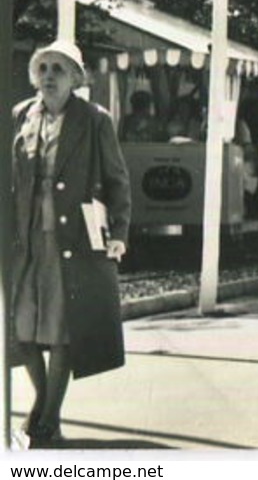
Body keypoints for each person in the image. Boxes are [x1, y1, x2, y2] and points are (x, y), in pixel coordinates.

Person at [10, 40, 131, 448]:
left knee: (62, 330)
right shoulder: (22, 116)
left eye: (58, 69)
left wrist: (119, 233)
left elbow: (117, 179)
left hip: (74, 239)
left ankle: (47, 418)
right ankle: (45, 403)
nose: (48, 76)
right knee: (21, 329)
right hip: (26, 239)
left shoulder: (95, 119)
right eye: (42, 68)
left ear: (75, 78)